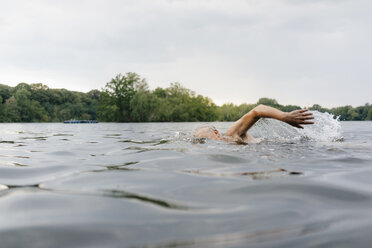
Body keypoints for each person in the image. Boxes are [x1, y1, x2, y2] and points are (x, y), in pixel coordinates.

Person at [193, 104, 314, 144]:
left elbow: (258, 110)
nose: (204, 143)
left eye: (203, 139)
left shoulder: (231, 134)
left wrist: (284, 116)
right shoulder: (228, 145)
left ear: (216, 132)